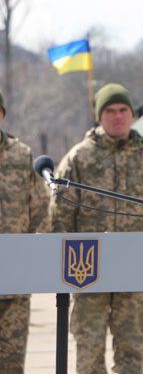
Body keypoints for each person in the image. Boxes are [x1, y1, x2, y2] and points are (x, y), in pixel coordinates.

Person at [49, 83, 143, 374]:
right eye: (109, 111)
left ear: (132, 115)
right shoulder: (79, 157)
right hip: (87, 272)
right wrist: (60, 269)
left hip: (134, 271)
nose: (117, 116)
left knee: (131, 352)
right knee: (88, 352)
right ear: (99, 116)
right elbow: (61, 216)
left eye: (123, 110)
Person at [0, 90, 48, 374]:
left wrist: (35, 256)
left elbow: (40, 208)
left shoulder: (22, 153)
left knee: (12, 361)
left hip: (15, 274)